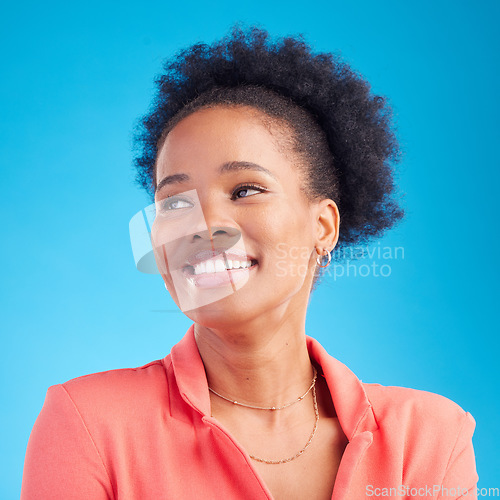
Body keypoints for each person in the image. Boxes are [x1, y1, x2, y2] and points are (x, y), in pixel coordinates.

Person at [21, 26, 478, 499]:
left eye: (246, 190)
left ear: (322, 226)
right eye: (174, 203)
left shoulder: (430, 439)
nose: (202, 224)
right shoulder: (89, 424)